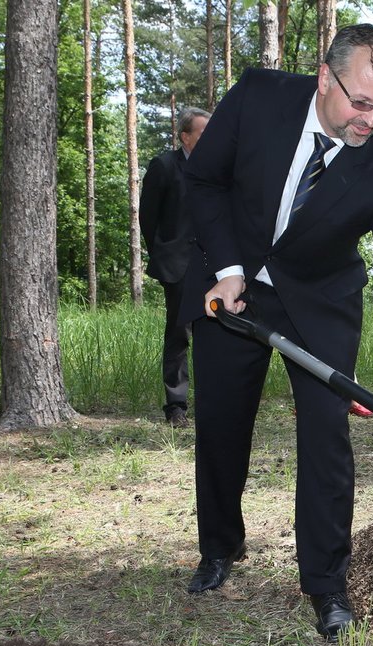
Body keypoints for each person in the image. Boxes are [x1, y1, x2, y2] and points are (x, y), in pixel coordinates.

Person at [180, 24, 373, 642]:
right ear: (325, 77)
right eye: (361, 103)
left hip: (319, 301)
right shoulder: (261, 96)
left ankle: (326, 583)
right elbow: (205, 179)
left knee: (325, 438)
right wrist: (230, 269)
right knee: (221, 423)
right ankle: (220, 547)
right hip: (228, 283)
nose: (371, 120)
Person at [139, 106, 210, 427]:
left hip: (213, 267)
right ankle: (176, 407)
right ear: (185, 136)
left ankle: (211, 401)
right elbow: (148, 218)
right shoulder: (164, 166)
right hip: (178, 267)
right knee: (179, 335)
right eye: (203, 133)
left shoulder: (215, 168)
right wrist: (164, 255)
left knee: (214, 338)